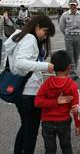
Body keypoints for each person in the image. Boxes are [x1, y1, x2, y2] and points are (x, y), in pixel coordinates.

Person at [4, 15, 55, 154]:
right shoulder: (30, 39)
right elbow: (20, 62)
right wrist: (45, 66)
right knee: (31, 131)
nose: (45, 37)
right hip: (29, 92)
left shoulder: (19, 35)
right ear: (37, 26)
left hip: (20, 90)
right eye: (45, 32)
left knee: (26, 126)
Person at [34, 50, 80, 154]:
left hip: (47, 122)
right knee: (66, 147)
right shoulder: (72, 85)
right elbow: (76, 108)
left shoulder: (47, 83)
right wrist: (77, 125)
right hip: (63, 122)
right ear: (69, 67)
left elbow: (37, 102)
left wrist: (54, 101)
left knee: (50, 150)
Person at [60, 0, 80, 80]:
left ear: (77, 5)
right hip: (68, 36)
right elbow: (62, 27)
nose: (73, 6)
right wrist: (67, 34)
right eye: (71, 5)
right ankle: (72, 72)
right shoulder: (65, 15)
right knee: (70, 55)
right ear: (69, 5)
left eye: (74, 5)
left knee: (76, 55)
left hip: (77, 36)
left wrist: (77, 33)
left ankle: (74, 71)